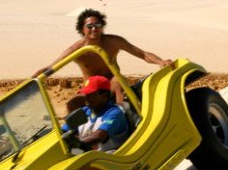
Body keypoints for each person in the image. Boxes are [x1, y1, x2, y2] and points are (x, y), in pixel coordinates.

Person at [34, 9, 172, 103]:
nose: (94, 28)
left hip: (112, 83)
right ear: (82, 29)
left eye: (97, 24)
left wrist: (160, 61)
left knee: (118, 81)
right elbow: (51, 67)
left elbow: (142, 54)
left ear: (102, 27)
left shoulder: (113, 42)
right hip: (91, 88)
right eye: (89, 26)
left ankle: (124, 118)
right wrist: (32, 81)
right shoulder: (76, 50)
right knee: (73, 103)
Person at [75, 76, 130, 152]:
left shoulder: (114, 114)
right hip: (90, 157)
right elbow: (64, 130)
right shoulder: (83, 112)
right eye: (86, 94)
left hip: (112, 158)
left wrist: (76, 144)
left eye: (91, 95)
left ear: (104, 96)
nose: (87, 98)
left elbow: (99, 136)